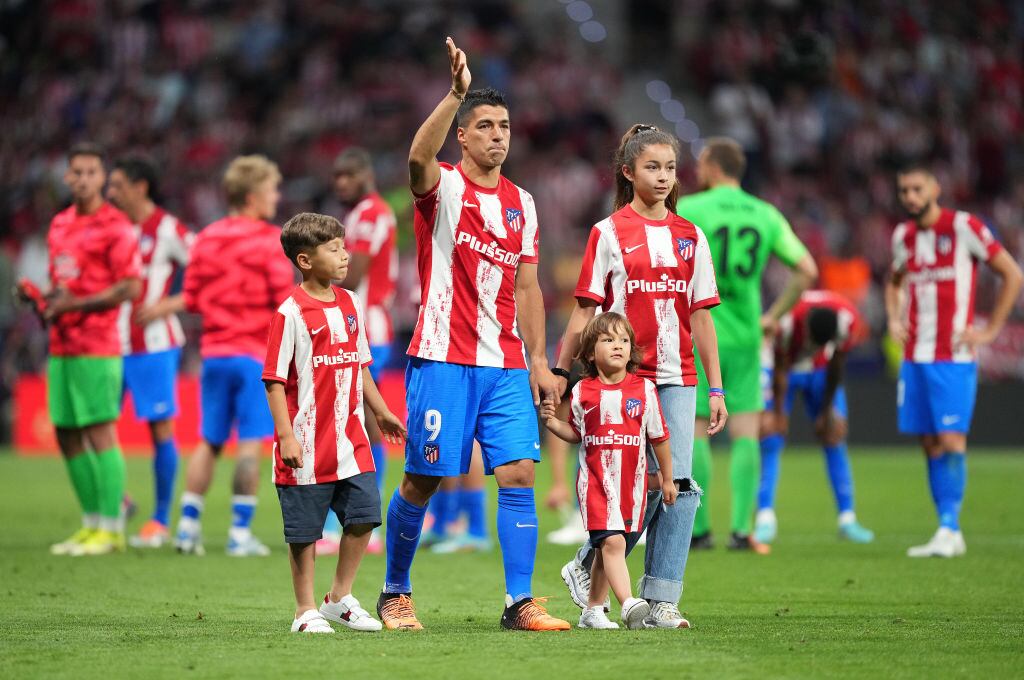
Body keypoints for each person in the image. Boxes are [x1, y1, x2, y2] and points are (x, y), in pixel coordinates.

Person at [377, 37, 568, 631]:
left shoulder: (524, 204)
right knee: (424, 476)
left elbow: (530, 288)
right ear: (462, 136)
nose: (497, 135)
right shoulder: (444, 188)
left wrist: (539, 359)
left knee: (518, 472)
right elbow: (414, 158)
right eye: (483, 126)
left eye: (504, 126)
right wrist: (455, 94)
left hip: (507, 363)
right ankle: (395, 592)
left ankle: (519, 602)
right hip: (441, 355)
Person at [557, 124, 727, 630]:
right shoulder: (607, 233)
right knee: (637, 482)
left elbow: (701, 317)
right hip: (621, 376)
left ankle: (660, 598)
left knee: (679, 483)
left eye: (671, 167)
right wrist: (563, 372)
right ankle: (592, 563)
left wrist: (716, 387)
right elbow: (585, 310)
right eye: (652, 167)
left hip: (677, 376)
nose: (663, 176)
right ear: (628, 172)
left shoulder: (690, 236)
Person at [263, 212, 406, 634]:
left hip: (351, 438)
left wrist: (380, 411)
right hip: (305, 441)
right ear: (305, 260)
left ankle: (338, 597)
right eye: (335, 249)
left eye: (345, 247)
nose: (346, 255)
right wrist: (286, 435)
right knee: (305, 533)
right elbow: (273, 380)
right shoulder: (290, 313)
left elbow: (361, 365)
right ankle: (304, 611)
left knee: (364, 515)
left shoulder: (350, 303)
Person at [677, 136, 817, 551]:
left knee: (697, 431)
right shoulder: (765, 214)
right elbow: (806, 269)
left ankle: (698, 531)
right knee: (745, 431)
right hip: (748, 335)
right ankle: (741, 530)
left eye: (701, 163)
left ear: (713, 166)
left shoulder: (689, 210)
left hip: (700, 332)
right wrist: (773, 316)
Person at [885, 165, 1022, 558]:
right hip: (915, 357)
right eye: (903, 190)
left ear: (935, 188)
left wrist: (991, 330)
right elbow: (893, 281)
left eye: (916, 188)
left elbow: (1011, 274)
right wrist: (894, 318)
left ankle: (950, 527)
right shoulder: (903, 237)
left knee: (950, 439)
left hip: (954, 356)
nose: (909, 196)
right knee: (929, 442)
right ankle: (946, 528)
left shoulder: (964, 227)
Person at [173, 155, 295, 557]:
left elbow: (190, 298)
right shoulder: (268, 241)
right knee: (249, 443)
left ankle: (187, 528)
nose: (276, 197)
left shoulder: (205, 238)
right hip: (253, 356)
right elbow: (283, 302)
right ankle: (239, 534)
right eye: (272, 189)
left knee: (208, 440)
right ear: (252, 195)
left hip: (214, 354)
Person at [37, 142, 142, 556]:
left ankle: (113, 529)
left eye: (91, 172)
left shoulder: (116, 225)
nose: (83, 179)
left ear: (103, 178)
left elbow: (131, 286)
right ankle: (92, 523)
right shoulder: (60, 224)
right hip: (61, 345)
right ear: (67, 176)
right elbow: (63, 283)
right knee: (65, 433)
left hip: (97, 344)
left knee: (100, 431)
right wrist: (44, 300)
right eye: (76, 172)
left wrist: (73, 304)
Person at [542, 313, 677, 630]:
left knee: (608, 548)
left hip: (633, 488)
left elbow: (659, 437)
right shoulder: (582, 392)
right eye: (608, 340)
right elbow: (577, 433)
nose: (618, 346)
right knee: (613, 543)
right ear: (590, 352)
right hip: (597, 486)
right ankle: (629, 603)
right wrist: (551, 423)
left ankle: (591, 611)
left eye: (623, 340)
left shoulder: (644, 390)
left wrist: (668, 479)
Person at [106, 157, 194, 548]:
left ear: (140, 186)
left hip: (153, 345)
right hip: (106, 342)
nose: (111, 192)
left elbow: (209, 272)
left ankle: (159, 519)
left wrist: (167, 305)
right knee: (94, 427)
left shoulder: (168, 228)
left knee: (160, 429)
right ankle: (117, 502)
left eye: (118, 184)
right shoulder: (109, 227)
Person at [316, 147, 399, 557]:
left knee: (360, 421)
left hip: (363, 328)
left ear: (365, 174)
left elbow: (353, 273)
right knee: (360, 421)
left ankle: (360, 517)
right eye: (336, 177)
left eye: (347, 175)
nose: (340, 184)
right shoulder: (364, 213)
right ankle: (356, 515)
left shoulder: (368, 213)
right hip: (364, 327)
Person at [755, 290, 875, 544]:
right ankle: (765, 517)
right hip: (786, 368)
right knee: (771, 438)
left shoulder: (848, 320)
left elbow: (837, 364)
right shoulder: (786, 321)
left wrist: (827, 410)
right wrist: (777, 413)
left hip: (821, 370)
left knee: (834, 435)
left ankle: (847, 519)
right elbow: (779, 368)